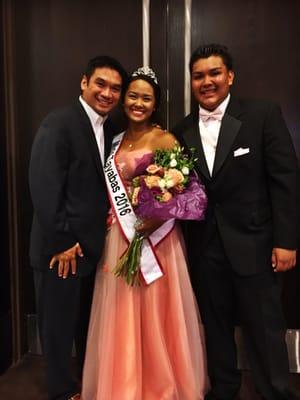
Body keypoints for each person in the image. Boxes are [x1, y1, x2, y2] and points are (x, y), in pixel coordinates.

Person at [172, 43, 300, 400]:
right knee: (215, 329)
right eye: (198, 76)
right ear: (191, 82)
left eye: (214, 73)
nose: (207, 81)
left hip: (257, 247)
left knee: (265, 329)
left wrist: (286, 241)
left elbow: (285, 180)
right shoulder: (179, 131)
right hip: (204, 250)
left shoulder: (262, 115)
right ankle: (224, 390)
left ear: (230, 76)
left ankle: (276, 392)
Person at [81, 67, 209, 400]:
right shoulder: (115, 140)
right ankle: (124, 384)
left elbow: (186, 191)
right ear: (125, 99)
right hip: (120, 237)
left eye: (146, 98)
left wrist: (159, 214)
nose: (138, 103)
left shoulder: (165, 138)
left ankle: (161, 384)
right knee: (122, 310)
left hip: (159, 239)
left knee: (157, 309)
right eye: (133, 95)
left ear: (155, 104)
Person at [29, 55, 128, 400]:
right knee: (57, 331)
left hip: (90, 252)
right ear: (84, 83)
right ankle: (60, 392)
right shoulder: (59, 123)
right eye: (101, 84)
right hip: (62, 252)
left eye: (115, 88)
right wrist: (62, 241)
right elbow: (43, 185)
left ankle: (85, 387)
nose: (107, 93)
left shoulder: (110, 129)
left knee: (85, 328)